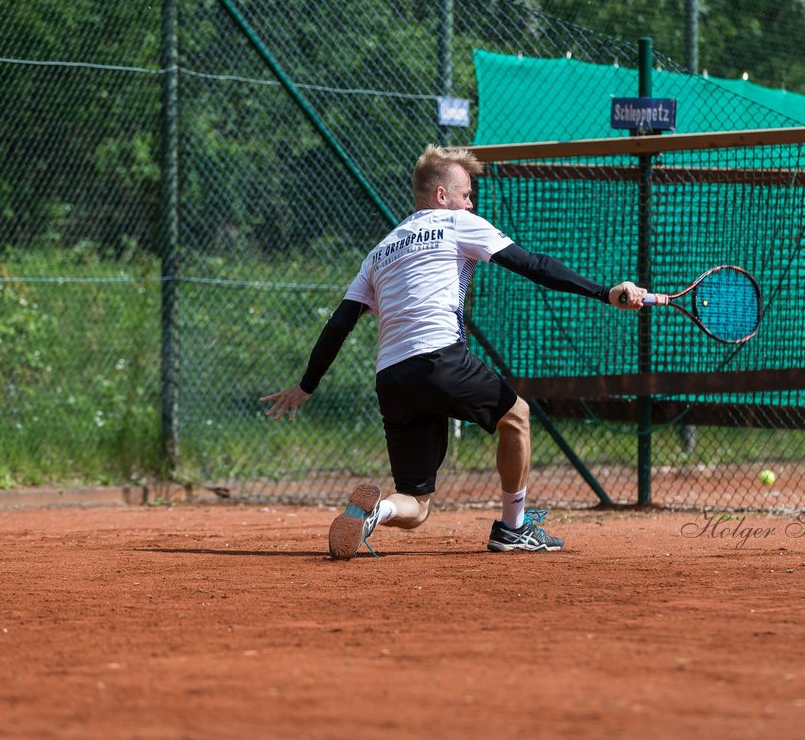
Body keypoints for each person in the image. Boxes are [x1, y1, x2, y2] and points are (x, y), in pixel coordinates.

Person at [261, 144, 646, 560]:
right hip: (438, 357)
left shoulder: (379, 252)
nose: (471, 201)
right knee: (516, 416)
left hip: (391, 379)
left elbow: (339, 323)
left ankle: (374, 513)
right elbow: (533, 265)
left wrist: (307, 385)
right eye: (465, 193)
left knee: (417, 503)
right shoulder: (456, 223)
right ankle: (513, 529)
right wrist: (604, 292)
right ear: (441, 197)